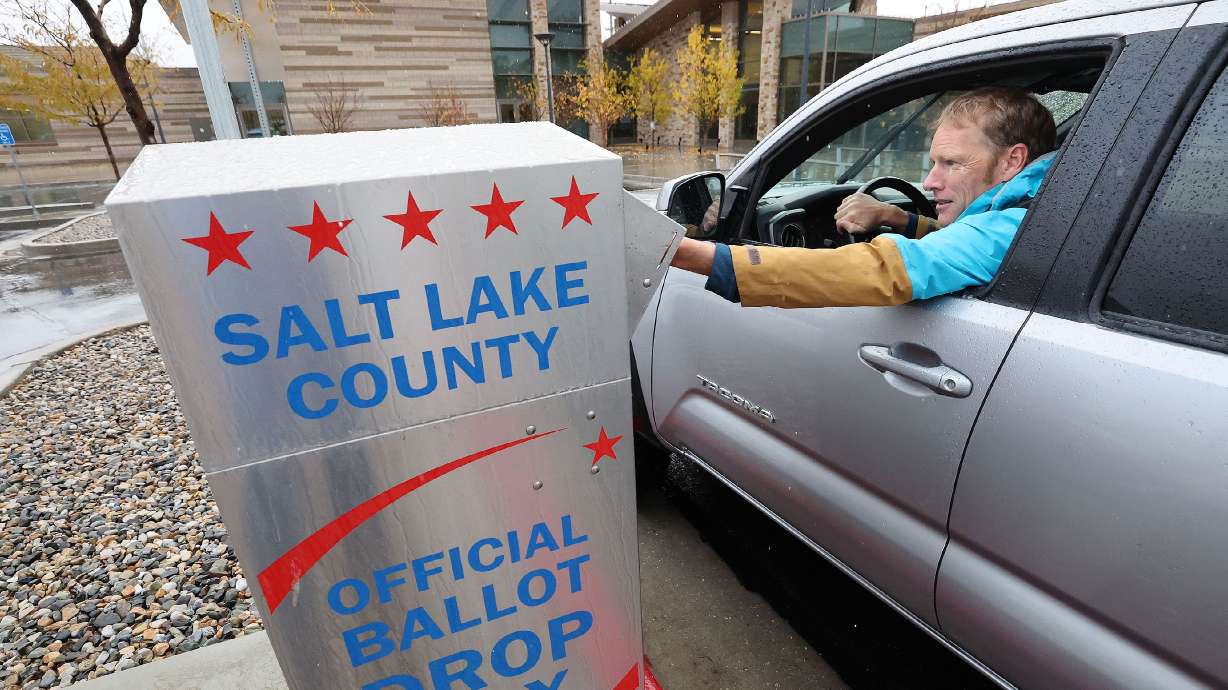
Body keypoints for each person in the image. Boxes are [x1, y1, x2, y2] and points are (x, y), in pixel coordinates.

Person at [670, 87, 1058, 308]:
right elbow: (962, 238)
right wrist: (898, 218)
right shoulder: (1044, 206)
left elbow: (880, 270)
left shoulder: (1008, 229)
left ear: (1013, 161)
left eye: (952, 163)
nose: (929, 182)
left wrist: (688, 253)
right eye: (932, 163)